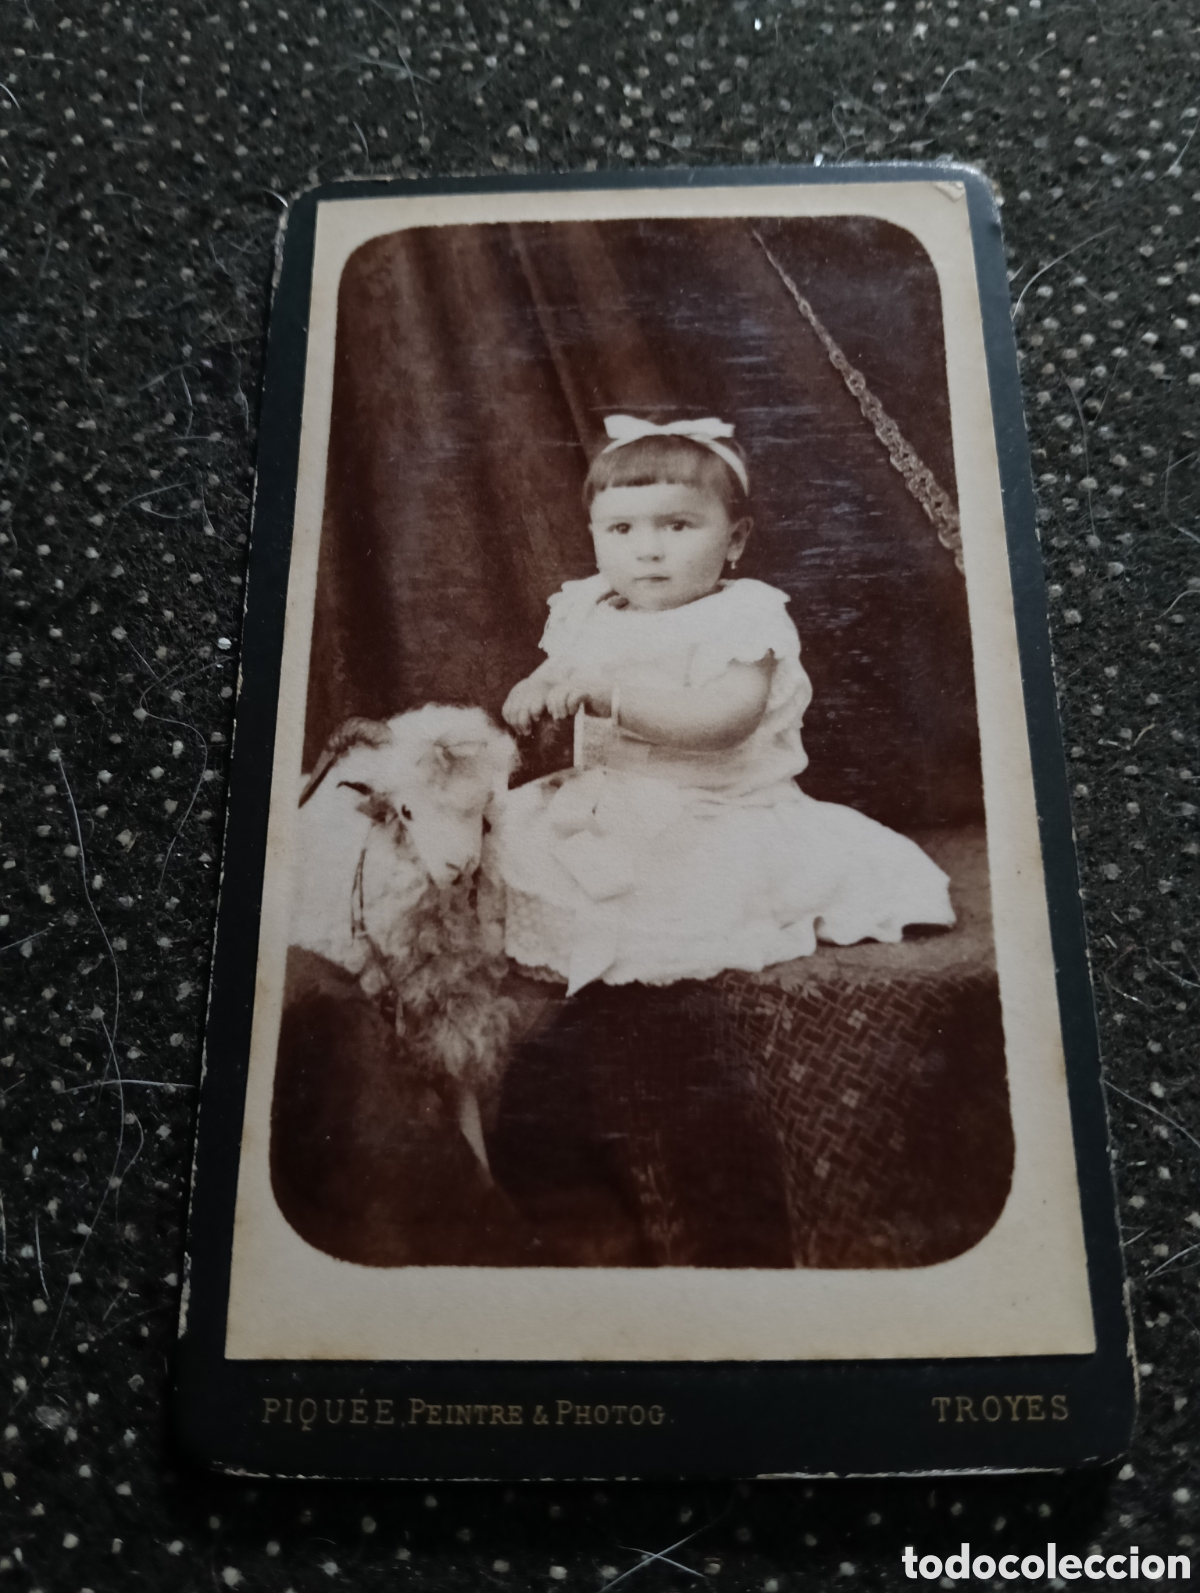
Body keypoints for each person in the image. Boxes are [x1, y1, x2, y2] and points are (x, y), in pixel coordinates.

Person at [497, 413, 955, 997]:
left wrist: (612, 699)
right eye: (621, 531)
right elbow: (555, 669)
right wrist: (533, 689)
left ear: (735, 539)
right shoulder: (589, 609)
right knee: (513, 839)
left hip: (714, 807)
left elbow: (724, 721)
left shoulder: (742, 618)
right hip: (605, 800)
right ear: (593, 534)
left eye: (678, 525)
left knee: (679, 884)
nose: (648, 551)